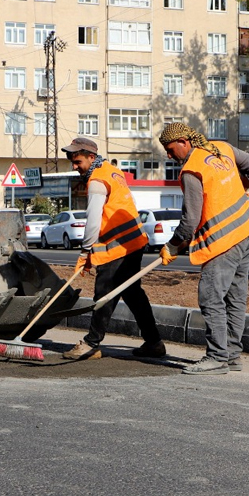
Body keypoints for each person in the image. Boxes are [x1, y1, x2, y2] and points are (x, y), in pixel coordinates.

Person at [157, 123, 249, 375]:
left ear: (184, 141)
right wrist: (241, 185)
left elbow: (189, 221)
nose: (170, 156)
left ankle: (217, 357)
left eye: (170, 150)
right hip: (247, 230)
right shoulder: (221, 149)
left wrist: (172, 246)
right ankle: (232, 356)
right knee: (235, 298)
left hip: (223, 241)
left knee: (211, 297)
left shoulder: (192, 170)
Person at [61, 138, 166, 361]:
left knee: (104, 295)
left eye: (77, 161)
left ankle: (91, 344)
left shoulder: (97, 180)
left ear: (91, 157)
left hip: (117, 248)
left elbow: (93, 219)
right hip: (134, 243)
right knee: (132, 293)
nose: (74, 166)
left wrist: (85, 250)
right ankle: (154, 342)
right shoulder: (112, 171)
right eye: (72, 161)